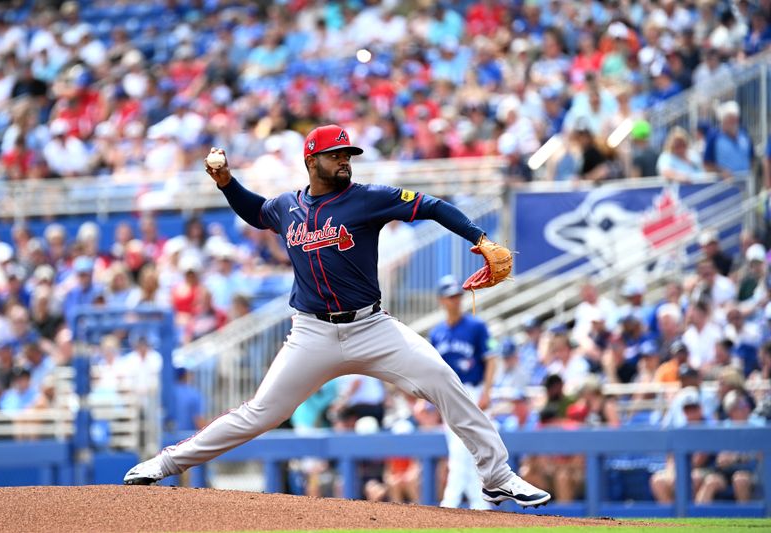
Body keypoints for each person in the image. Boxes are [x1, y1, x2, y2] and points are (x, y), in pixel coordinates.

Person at [123, 124, 551, 507]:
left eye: (348, 155)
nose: (344, 161)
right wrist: (226, 183)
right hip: (311, 334)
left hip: (371, 327)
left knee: (444, 381)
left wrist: (479, 237)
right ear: (312, 161)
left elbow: (433, 206)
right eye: (336, 155)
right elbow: (255, 212)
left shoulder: (367, 199)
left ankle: (498, 477)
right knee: (261, 413)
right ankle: (163, 464)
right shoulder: (286, 207)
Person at [430, 275, 499, 510]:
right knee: (461, 448)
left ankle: (450, 502)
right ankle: (480, 504)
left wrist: (487, 391)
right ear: (441, 300)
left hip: (472, 390)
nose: (455, 301)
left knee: (467, 448)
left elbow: (491, 359)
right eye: (450, 297)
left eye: (457, 296)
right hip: (449, 394)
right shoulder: (437, 333)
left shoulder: (477, 327)